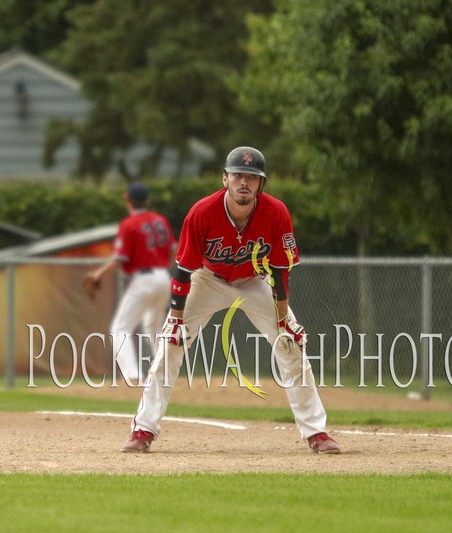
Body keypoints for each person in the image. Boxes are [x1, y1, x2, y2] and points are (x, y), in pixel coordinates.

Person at [120, 146, 340, 454]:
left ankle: (316, 432)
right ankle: (143, 429)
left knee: (290, 344)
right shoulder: (202, 212)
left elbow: (279, 274)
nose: (244, 182)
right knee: (170, 344)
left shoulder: (276, 213)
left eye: (252, 177)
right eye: (238, 175)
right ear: (225, 179)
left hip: (254, 280)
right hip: (208, 279)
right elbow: (183, 272)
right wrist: (176, 319)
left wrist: (282, 321)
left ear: (261, 184)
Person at [86, 183, 176, 384]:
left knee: (120, 328)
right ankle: (166, 372)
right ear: (148, 200)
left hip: (144, 279)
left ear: (127, 199)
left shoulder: (129, 224)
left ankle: (133, 376)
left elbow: (119, 259)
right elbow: (173, 250)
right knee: (153, 327)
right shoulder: (160, 220)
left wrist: (98, 274)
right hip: (163, 277)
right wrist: (162, 269)